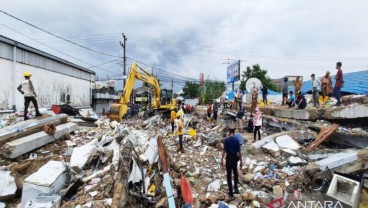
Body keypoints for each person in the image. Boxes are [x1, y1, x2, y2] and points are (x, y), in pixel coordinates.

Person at [221, 128, 242, 198]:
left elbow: (224, 150)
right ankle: (236, 188)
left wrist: (222, 159)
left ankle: (230, 192)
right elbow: (239, 152)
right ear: (234, 133)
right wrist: (241, 161)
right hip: (234, 159)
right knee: (235, 173)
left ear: (229, 133)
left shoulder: (226, 140)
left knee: (229, 175)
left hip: (228, 159)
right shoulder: (237, 140)